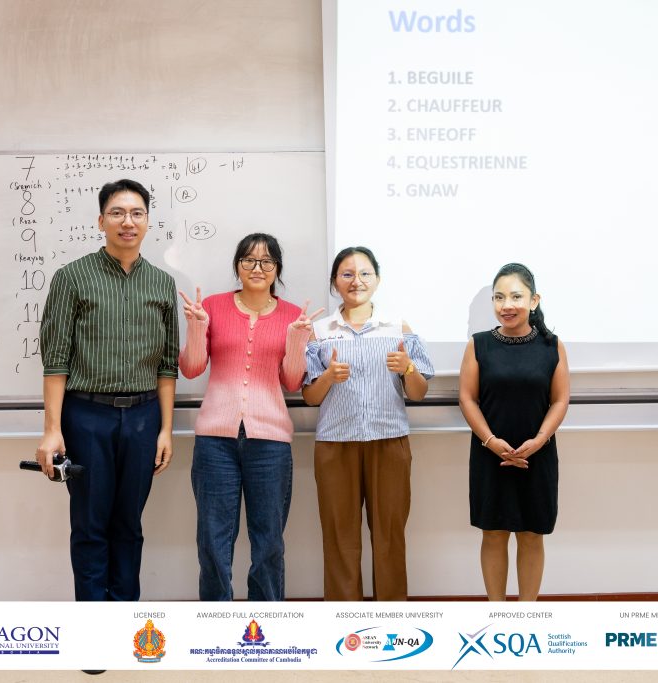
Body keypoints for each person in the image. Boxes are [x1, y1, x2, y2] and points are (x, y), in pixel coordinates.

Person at [35, 178, 179, 603]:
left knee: (129, 525)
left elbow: (167, 365)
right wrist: (52, 430)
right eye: (117, 213)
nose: (127, 222)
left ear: (148, 222)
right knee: (90, 525)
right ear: (101, 221)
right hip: (87, 416)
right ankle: (93, 625)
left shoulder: (161, 284)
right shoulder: (72, 278)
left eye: (136, 213)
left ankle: (124, 620)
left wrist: (166, 429)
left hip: (144, 417)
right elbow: (55, 360)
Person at [178, 233, 321, 601]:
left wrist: (297, 342)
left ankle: (266, 622)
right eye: (249, 260)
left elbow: (292, 381)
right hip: (215, 441)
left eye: (267, 261)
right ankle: (216, 620)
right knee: (213, 539)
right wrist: (196, 327)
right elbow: (192, 368)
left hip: (270, 442)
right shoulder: (212, 306)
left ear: (277, 269)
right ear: (238, 265)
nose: (258, 268)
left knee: (269, 542)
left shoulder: (293, 316)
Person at [302, 246, 434, 601]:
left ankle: (390, 620)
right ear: (335, 282)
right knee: (339, 537)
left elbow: (419, 392)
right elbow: (311, 397)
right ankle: (344, 622)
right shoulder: (319, 331)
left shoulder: (397, 328)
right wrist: (328, 377)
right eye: (346, 274)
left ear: (377, 279)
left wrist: (408, 368)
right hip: (335, 444)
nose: (356, 281)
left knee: (390, 536)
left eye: (364, 274)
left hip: (389, 442)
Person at [458, 262, 569, 601]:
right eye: (499, 297)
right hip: (489, 454)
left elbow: (560, 400)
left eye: (516, 297)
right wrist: (491, 442)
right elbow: (467, 398)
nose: (507, 305)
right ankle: (497, 613)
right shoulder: (478, 345)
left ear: (534, 301)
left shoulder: (552, 345)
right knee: (493, 534)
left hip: (537, 455)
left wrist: (539, 441)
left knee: (532, 535)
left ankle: (526, 615)